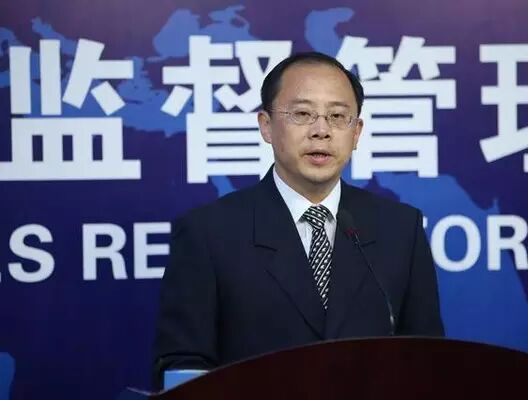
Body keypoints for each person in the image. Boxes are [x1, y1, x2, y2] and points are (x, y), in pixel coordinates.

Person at [153, 52, 444, 385]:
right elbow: (182, 367)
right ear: (266, 126)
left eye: (338, 116)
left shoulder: (400, 229)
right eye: (303, 114)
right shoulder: (208, 233)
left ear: (356, 132)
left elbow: (427, 361)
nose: (321, 131)